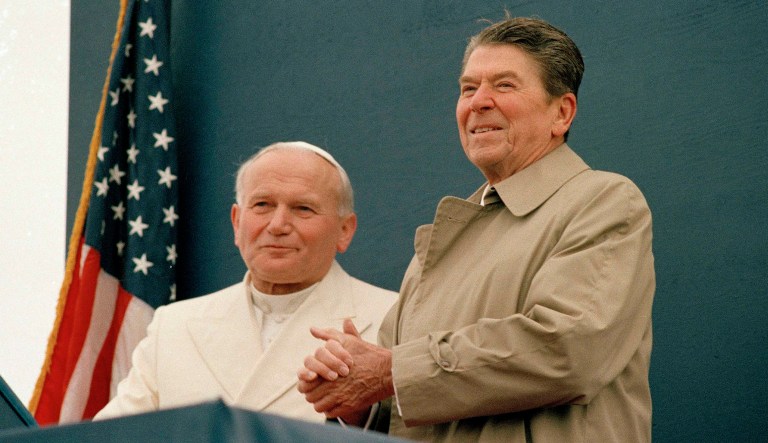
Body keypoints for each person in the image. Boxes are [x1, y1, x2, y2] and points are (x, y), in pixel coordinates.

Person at [298, 16, 656, 442]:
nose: (478, 102)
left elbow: (568, 350)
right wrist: (359, 406)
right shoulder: (444, 238)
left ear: (562, 112)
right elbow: (406, 397)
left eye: (504, 85)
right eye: (468, 88)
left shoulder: (604, 202)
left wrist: (390, 371)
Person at [94, 141, 398, 423]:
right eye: (263, 205)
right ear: (237, 222)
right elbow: (116, 434)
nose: (277, 225)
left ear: (345, 230)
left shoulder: (394, 316)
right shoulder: (173, 326)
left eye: (303, 208)